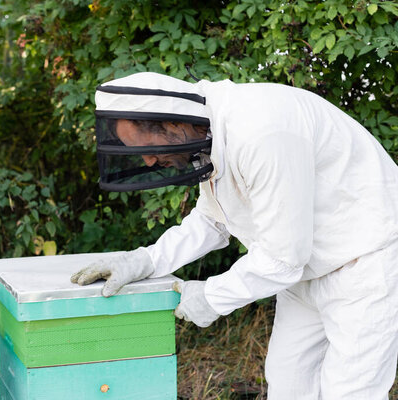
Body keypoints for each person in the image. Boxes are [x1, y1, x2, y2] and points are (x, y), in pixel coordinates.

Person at [70, 72, 398, 399]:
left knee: (351, 392)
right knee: (289, 384)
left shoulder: (263, 132)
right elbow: (214, 220)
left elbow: (282, 260)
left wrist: (210, 297)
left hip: (366, 261)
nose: (150, 160)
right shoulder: (208, 132)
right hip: (309, 269)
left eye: (149, 149)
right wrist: (146, 260)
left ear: (171, 124)